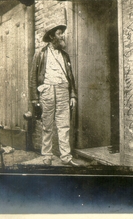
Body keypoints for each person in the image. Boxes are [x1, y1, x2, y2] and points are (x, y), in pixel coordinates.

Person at [30, 24, 80, 167]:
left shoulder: (65, 55)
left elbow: (71, 77)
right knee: (47, 125)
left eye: (62, 33)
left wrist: (73, 95)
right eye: (59, 33)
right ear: (52, 36)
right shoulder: (40, 54)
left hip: (63, 91)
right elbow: (33, 77)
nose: (62, 36)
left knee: (64, 125)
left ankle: (66, 156)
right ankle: (47, 156)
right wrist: (34, 98)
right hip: (48, 91)